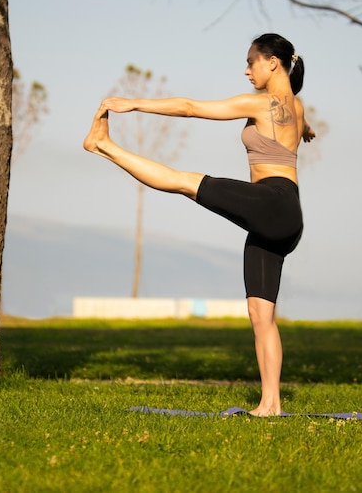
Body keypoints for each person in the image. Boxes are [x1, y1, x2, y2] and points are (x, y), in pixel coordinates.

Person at [84, 33, 315, 416]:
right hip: (285, 213)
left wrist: (134, 103)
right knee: (261, 315)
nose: (246, 70)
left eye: (251, 61)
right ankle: (270, 405)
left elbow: (191, 107)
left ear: (273, 63)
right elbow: (297, 128)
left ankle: (103, 145)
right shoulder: (298, 106)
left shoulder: (259, 103)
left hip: (270, 203)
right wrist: (303, 131)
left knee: (182, 181)